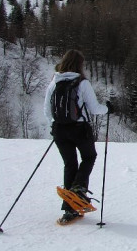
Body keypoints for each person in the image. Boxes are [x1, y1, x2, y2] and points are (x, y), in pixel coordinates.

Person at [43, 49, 113, 224]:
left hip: (59, 129)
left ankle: (70, 208)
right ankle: (78, 188)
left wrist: (57, 123)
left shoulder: (54, 82)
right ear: (79, 65)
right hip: (80, 129)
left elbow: (47, 111)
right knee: (89, 157)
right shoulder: (82, 83)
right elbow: (95, 109)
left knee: (70, 164)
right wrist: (109, 109)